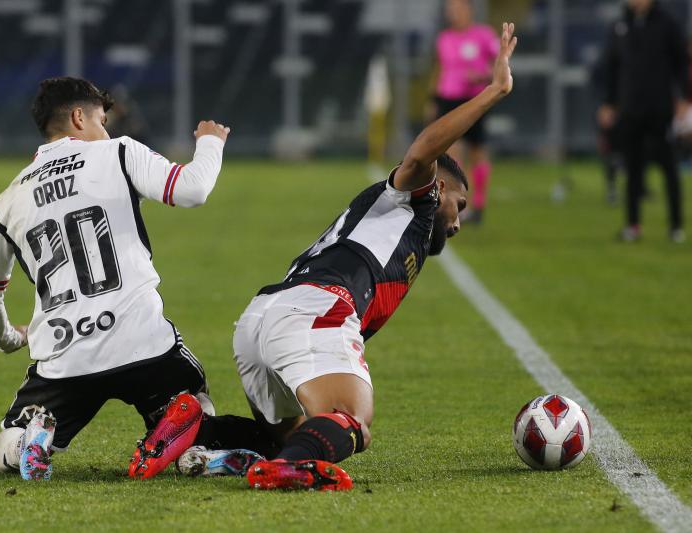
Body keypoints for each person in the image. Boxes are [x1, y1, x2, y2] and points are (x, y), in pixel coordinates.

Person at [138, 22, 515, 491]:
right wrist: (493, 92)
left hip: (261, 319)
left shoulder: (399, 228)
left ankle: (196, 428)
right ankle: (283, 472)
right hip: (316, 311)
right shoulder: (415, 201)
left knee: (294, 437)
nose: (456, 224)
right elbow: (423, 149)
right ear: (439, 187)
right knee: (350, 420)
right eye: (459, 205)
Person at [0, 76, 230, 480]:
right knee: (195, 403)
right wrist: (211, 141)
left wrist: (8, 338)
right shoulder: (119, 153)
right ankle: (191, 451)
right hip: (144, 344)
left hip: (65, 357)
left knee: (5, 446)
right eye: (102, 120)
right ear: (78, 117)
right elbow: (192, 190)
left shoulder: (8, 199)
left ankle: (29, 441)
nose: (106, 130)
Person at [599, 0, 688, 243]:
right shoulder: (620, 24)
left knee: (669, 166)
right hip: (630, 108)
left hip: (660, 108)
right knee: (633, 168)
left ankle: (676, 225)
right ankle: (633, 225)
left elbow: (681, 62)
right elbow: (611, 67)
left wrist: (683, 97)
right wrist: (609, 102)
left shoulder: (667, 23)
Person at [431, 0, 499, 223]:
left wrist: (483, 75)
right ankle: (459, 204)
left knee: (478, 150)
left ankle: (479, 204)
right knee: (452, 153)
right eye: (450, 11)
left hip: (474, 100)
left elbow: (501, 63)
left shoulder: (484, 35)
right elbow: (440, 70)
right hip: (449, 100)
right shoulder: (444, 38)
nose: (453, 14)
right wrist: (433, 99)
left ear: (469, 10)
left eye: (458, 10)